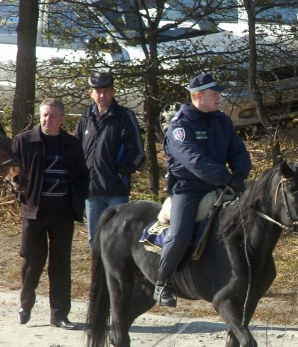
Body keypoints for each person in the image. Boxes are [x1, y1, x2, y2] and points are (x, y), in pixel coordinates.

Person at [155, 72, 252, 307]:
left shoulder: (222, 120)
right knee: (180, 234)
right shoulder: (180, 125)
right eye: (214, 93)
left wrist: (238, 176)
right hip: (189, 189)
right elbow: (194, 160)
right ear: (198, 96)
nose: (219, 96)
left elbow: (238, 152)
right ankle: (162, 282)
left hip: (223, 184)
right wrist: (225, 177)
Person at [12, 99, 90, 329]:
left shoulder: (72, 144)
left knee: (60, 265)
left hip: (63, 214)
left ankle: (59, 315)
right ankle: (25, 306)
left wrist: (77, 201)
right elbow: (11, 173)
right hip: (34, 213)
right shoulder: (24, 141)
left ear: (63, 119)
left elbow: (82, 176)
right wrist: (21, 197)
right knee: (32, 262)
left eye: (53, 116)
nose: (48, 120)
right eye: (45, 115)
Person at [75, 72, 145, 250]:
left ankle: (117, 279)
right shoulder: (86, 118)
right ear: (91, 93)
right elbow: (75, 149)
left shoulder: (124, 116)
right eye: (98, 91)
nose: (102, 96)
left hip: (116, 191)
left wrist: (119, 172)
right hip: (91, 193)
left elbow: (137, 152)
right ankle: (98, 278)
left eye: (106, 91)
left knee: (118, 243)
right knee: (95, 242)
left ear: (113, 92)